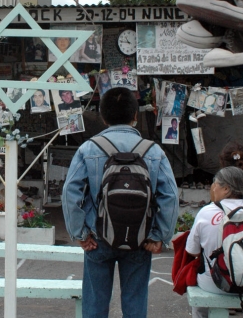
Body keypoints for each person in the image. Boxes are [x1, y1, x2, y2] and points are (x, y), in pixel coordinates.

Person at [62, 87, 178, 318]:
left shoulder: (88, 149)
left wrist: (80, 233)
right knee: (135, 303)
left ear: (103, 117)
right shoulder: (154, 152)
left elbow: (70, 192)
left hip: (98, 237)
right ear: (135, 115)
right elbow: (170, 196)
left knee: (95, 305)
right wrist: (159, 236)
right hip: (140, 238)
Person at [186, 166, 243, 318]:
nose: (212, 189)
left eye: (214, 184)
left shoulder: (207, 212)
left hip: (217, 284)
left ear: (226, 188)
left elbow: (192, 251)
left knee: (200, 301)